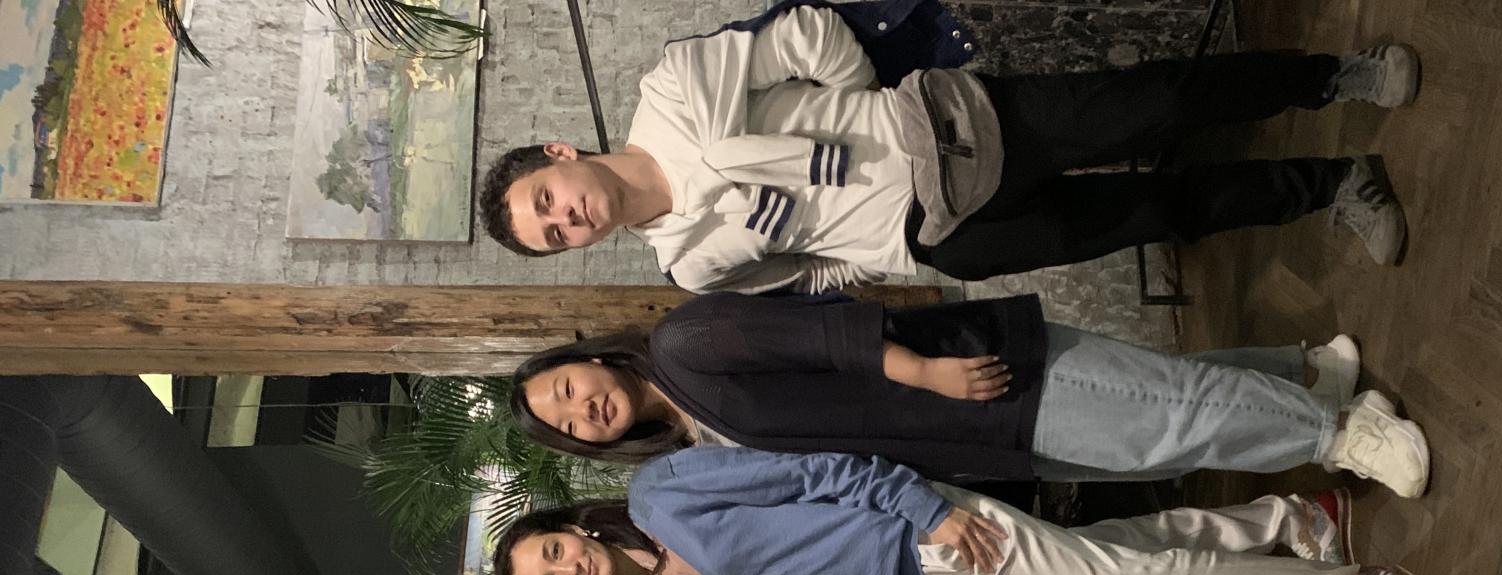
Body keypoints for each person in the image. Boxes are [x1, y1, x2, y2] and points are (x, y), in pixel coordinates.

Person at [477, 4, 1419, 289]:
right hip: (943, 239)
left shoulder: (673, 89)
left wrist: (863, 113)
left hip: (948, 130)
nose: (568, 219)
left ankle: (1336, 78)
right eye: (555, 236)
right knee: (1152, 213)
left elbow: (805, 33)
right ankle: (1336, 185)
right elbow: (808, 275)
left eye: (547, 201)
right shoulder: (688, 264)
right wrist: (878, 254)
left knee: (1156, 103)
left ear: (559, 155)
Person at [508, 292, 1431, 497]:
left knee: (1157, 421)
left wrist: (924, 372)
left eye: (567, 388)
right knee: (1154, 417)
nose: (582, 410)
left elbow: (816, 332)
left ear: (589, 358)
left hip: (965, 381)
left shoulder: (680, 346)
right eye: (568, 423)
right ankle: (1304, 376)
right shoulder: (689, 431)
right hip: (968, 437)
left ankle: (1342, 433)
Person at [484, 454, 1438, 575]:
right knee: (1119, 555)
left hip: (928, 533)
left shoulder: (661, 493)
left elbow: (816, 470)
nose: (567, 569)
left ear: (571, 528)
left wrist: (925, 509)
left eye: (552, 552)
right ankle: (1284, 521)